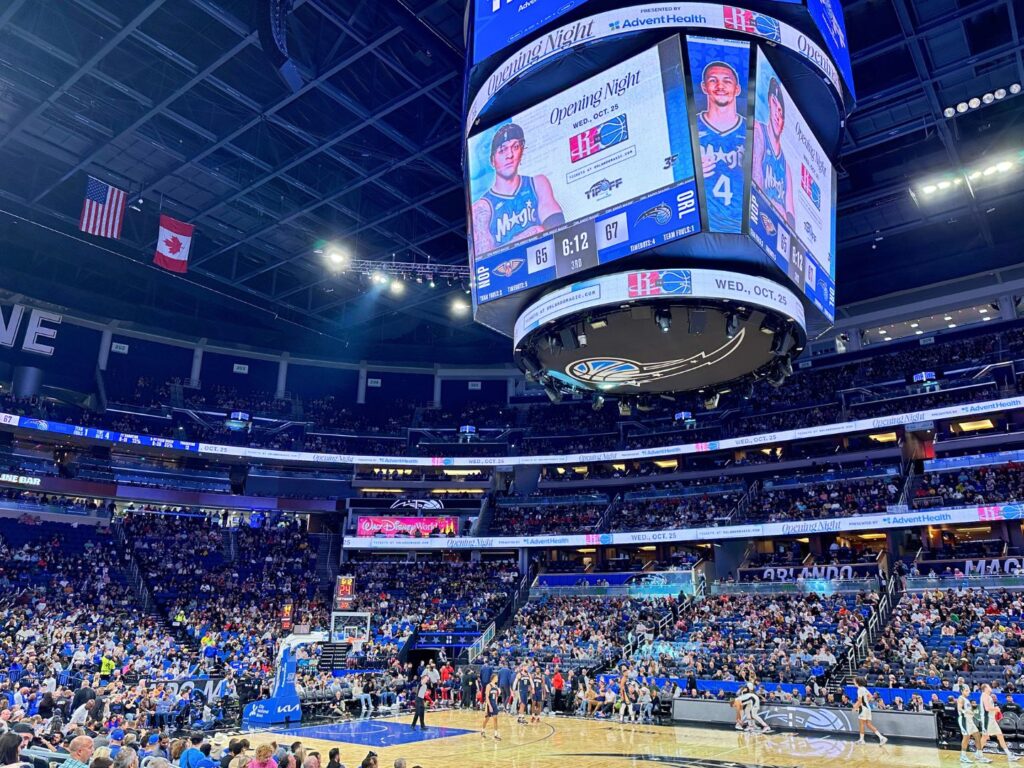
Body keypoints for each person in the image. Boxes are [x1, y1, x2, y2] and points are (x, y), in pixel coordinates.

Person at [471, 122, 564, 256]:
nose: (509, 155)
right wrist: (530, 233)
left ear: (522, 151)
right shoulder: (482, 208)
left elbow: (558, 229)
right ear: (492, 160)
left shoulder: (537, 183)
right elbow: (486, 263)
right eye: (502, 150)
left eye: (515, 147)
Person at [697, 60, 746, 231]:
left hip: (739, 229)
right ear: (704, 87)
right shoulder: (689, 126)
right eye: (713, 80)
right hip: (700, 225)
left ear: (737, 89)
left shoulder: (753, 134)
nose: (720, 86)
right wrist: (690, 174)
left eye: (727, 81)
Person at [752, 76, 796, 229]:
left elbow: (790, 214)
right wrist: (774, 208)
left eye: (782, 113)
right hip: (757, 217)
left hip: (773, 232)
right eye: (776, 108)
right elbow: (755, 184)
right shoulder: (759, 132)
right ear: (770, 103)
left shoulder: (786, 166)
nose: (779, 116)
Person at [978, 684, 1017, 761]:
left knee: (1000, 736)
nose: (990, 687)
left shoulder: (988, 696)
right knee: (985, 737)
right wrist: (996, 708)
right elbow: (987, 708)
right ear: (985, 688)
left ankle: (1009, 755)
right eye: (989, 686)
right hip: (987, 720)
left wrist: (995, 711)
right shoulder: (985, 695)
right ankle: (979, 754)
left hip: (991, 719)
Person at [852, 677, 888, 745]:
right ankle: (881, 738)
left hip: (863, 708)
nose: (853, 682)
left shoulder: (860, 689)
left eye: (854, 681)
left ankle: (861, 740)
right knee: (868, 724)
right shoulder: (864, 688)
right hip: (867, 708)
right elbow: (870, 696)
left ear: (857, 682)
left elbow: (860, 701)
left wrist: (855, 707)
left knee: (861, 724)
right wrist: (865, 703)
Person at [958, 684, 986, 764]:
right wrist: (965, 712)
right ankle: (963, 757)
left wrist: (973, 715)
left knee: (977, 735)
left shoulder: (966, 699)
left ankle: (979, 755)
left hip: (970, 721)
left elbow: (969, 711)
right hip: (964, 720)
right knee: (966, 738)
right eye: (966, 690)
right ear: (962, 691)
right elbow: (959, 709)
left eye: (968, 690)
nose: (968, 692)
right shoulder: (961, 698)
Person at [481, 674, 501, 741]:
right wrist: (489, 706)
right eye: (497, 678)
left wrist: (496, 703)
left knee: (495, 719)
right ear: (493, 678)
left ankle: (495, 734)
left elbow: (496, 696)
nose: (497, 679)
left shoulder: (496, 686)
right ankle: (482, 730)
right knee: (487, 718)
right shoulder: (488, 686)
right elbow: (486, 697)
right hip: (489, 704)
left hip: (494, 704)